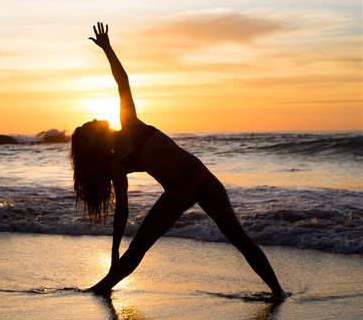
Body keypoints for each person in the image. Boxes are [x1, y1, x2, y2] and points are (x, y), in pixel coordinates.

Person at [71, 22, 286, 300]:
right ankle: (100, 290)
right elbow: (122, 211)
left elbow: (122, 81)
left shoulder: (130, 123)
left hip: (202, 180)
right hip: (175, 194)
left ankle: (278, 292)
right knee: (138, 248)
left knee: (238, 237)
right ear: (94, 141)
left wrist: (108, 49)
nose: (94, 119)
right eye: (90, 125)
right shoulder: (117, 165)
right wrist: (113, 252)